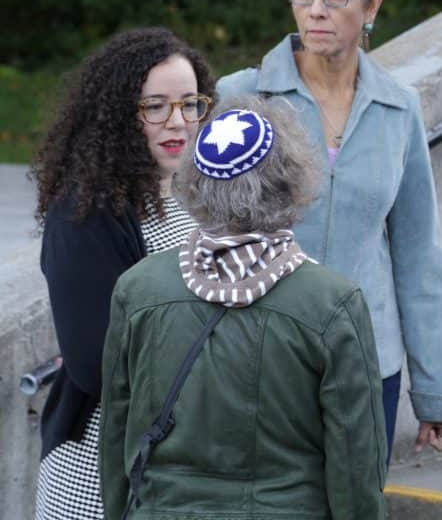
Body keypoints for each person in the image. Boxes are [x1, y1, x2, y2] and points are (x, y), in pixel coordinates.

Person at [217, 0, 442, 457]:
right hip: (259, 364)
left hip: (366, 366)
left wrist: (435, 389)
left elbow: (417, 256)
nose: (315, 10)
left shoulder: (398, 110)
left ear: (372, 1)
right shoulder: (243, 99)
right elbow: (202, 239)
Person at [99, 99, 387, 520]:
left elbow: (117, 438)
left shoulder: (139, 290)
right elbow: (356, 462)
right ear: (290, 180)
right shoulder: (332, 303)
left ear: (196, 182)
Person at [31, 27, 216, 519]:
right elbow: (97, 363)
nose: (178, 122)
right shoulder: (85, 211)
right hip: (101, 475)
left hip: (176, 465)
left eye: (190, 103)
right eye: (155, 106)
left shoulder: (190, 194)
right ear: (118, 116)